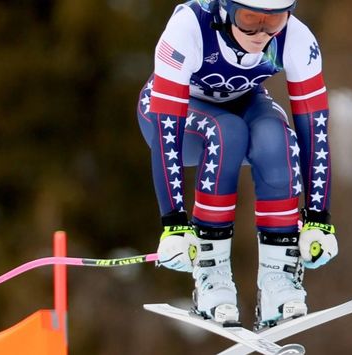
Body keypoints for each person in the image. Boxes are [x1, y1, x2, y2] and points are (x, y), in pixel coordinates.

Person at [136, 0, 338, 329]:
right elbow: (165, 133)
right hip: (174, 118)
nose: (261, 33)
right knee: (226, 133)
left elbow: (314, 132)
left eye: (273, 22)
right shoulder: (189, 27)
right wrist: (174, 222)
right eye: (249, 19)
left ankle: (278, 281)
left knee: (277, 137)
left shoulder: (297, 39)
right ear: (224, 9)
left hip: (243, 104)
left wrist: (319, 219)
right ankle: (211, 277)